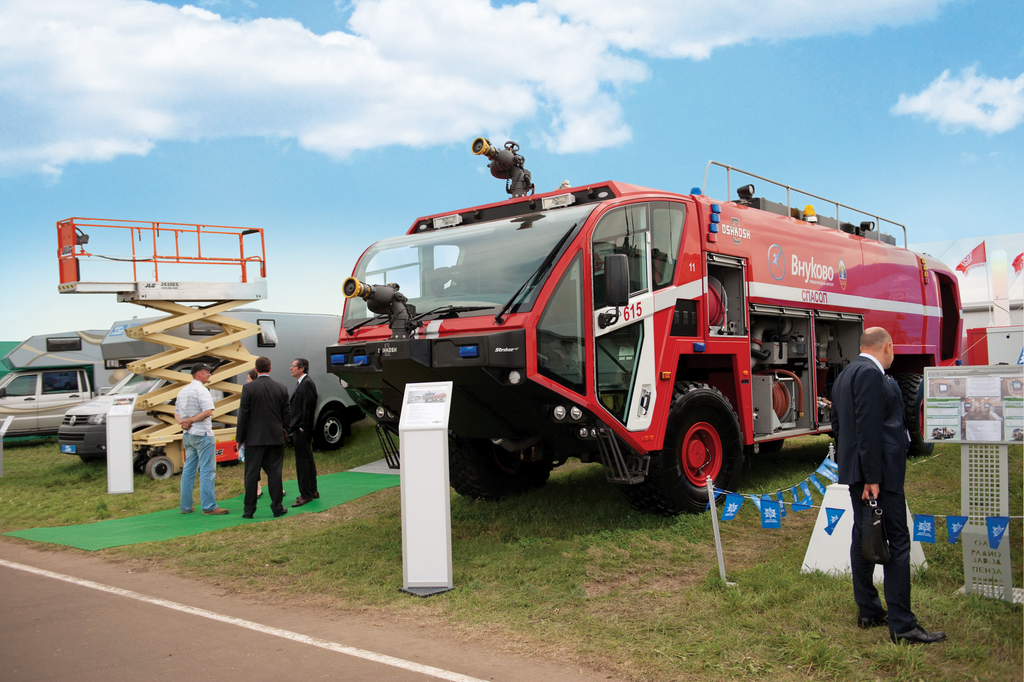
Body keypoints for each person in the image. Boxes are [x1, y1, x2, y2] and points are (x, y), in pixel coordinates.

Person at [831, 327, 945, 645]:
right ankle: (903, 626)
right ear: (888, 347)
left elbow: (838, 427)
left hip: (860, 473)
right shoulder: (870, 373)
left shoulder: (846, 374)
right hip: (878, 477)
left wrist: (858, 470)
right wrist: (872, 477)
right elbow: (868, 428)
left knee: (863, 534)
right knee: (897, 542)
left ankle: (868, 610)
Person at [236, 356, 290, 519]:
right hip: (275, 437)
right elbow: (286, 413)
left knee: (251, 474)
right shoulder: (281, 388)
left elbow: (243, 415)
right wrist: (286, 431)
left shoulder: (249, 389)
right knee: (275, 472)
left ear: (256, 370)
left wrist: (240, 438)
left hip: (254, 438)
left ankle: (249, 510)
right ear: (270, 368)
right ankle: (277, 507)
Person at [177, 363, 228, 515]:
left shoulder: (182, 391)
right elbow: (207, 412)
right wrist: (191, 421)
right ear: (199, 374)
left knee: (188, 470)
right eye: (207, 372)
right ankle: (209, 506)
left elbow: (176, 413)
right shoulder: (202, 390)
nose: (209, 375)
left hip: (188, 435)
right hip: (202, 434)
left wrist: (183, 423)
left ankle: (185, 506)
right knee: (207, 470)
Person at [289, 357, 320, 507]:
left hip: (302, 430)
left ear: (301, 368)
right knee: (307, 459)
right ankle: (312, 490)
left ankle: (306, 494)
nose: (291, 368)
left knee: (302, 462)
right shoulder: (302, 383)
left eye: (293, 366)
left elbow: (308, 407)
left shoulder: (307, 383)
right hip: (301, 429)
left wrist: (302, 427)